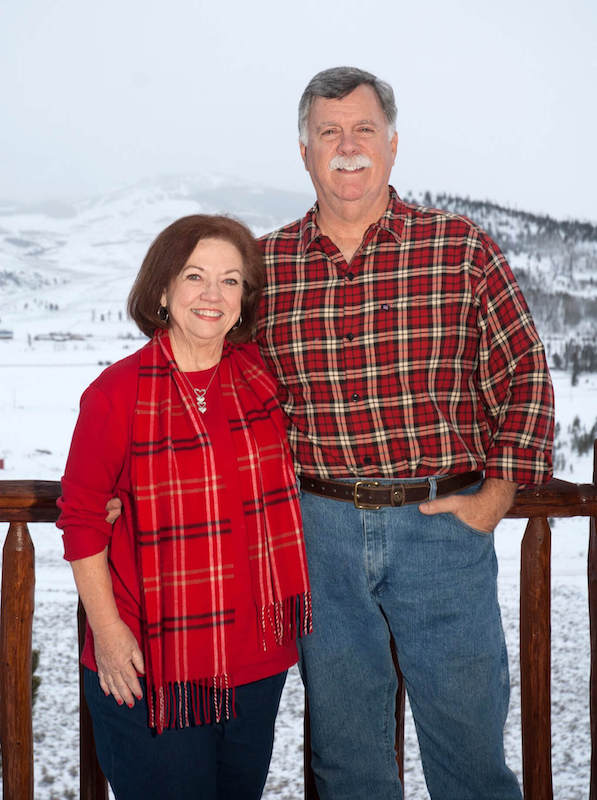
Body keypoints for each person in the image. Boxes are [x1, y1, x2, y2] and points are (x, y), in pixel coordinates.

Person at [252, 67, 554, 799]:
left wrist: (497, 495)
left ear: (391, 145)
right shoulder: (265, 267)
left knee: (468, 753)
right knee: (348, 761)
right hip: (317, 532)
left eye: (362, 131)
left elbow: (525, 374)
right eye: (329, 132)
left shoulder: (459, 248)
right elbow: (217, 392)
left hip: (440, 528)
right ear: (303, 152)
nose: (346, 147)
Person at [57, 214, 312, 800]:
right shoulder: (116, 395)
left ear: (245, 300)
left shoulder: (262, 382)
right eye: (195, 276)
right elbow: (82, 519)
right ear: (164, 290)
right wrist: (109, 633)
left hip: (255, 660)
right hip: (150, 662)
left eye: (230, 281)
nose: (212, 295)